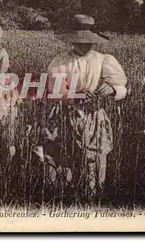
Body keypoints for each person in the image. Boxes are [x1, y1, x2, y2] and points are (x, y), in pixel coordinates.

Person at [46, 14, 127, 198]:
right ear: (72, 41)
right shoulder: (61, 61)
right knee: (65, 158)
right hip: (66, 115)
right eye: (78, 42)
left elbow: (121, 86)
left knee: (94, 160)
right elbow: (55, 90)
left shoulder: (103, 60)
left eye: (87, 42)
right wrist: (75, 94)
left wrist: (112, 89)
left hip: (94, 116)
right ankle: (65, 197)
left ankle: (91, 198)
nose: (83, 45)